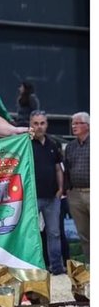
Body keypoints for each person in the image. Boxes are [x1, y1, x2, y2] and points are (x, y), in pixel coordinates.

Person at [29, 111, 65, 274]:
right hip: (31, 198)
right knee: (31, 234)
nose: (39, 127)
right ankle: (33, 267)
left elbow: (58, 168)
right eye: (36, 123)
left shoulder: (53, 144)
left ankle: (56, 268)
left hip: (52, 197)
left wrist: (60, 189)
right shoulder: (25, 144)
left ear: (47, 124)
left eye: (42, 123)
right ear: (31, 124)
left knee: (54, 233)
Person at [65, 112, 90, 263]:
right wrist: (68, 189)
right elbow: (66, 169)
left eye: (78, 123)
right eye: (73, 123)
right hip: (75, 194)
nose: (74, 126)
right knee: (83, 234)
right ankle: (90, 266)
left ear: (88, 126)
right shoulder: (70, 146)